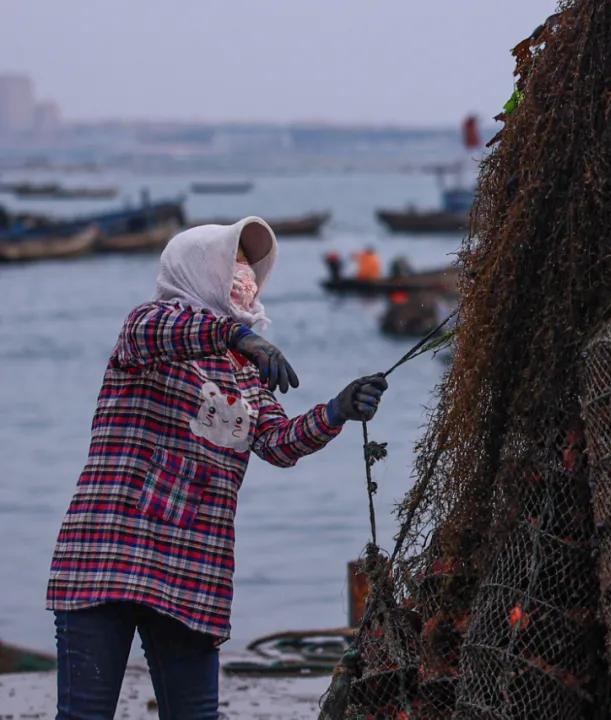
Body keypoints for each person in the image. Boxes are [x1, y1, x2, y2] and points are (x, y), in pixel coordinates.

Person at [46, 217, 389, 719]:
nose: (243, 276)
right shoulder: (151, 327)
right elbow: (154, 333)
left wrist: (336, 410)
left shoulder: (245, 375)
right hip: (108, 555)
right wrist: (236, 336)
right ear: (198, 268)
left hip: (194, 567)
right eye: (233, 262)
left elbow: (278, 443)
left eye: (249, 266)